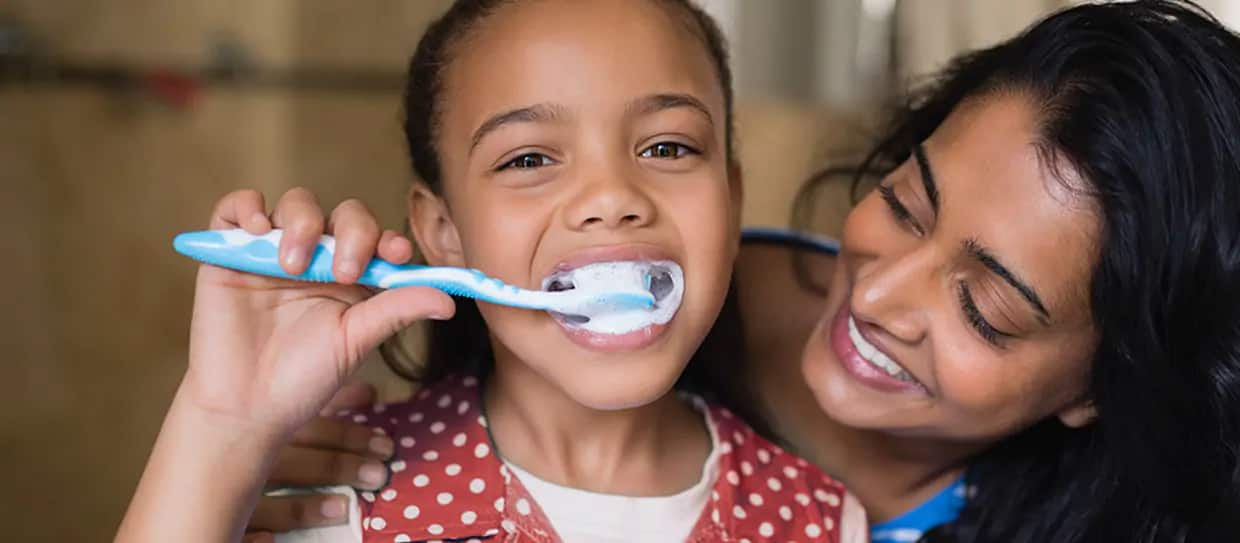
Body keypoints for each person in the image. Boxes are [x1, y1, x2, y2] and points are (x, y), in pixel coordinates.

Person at [251, 1, 1240, 542]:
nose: (879, 296)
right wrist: (235, 446)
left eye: (985, 308)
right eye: (903, 203)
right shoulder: (675, 274)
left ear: (1099, 391)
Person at [114, 1, 868, 542]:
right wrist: (221, 427)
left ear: (731, 199)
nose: (610, 198)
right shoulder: (329, 501)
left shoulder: (819, 519)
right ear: (443, 232)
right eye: (530, 158)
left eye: (668, 146)